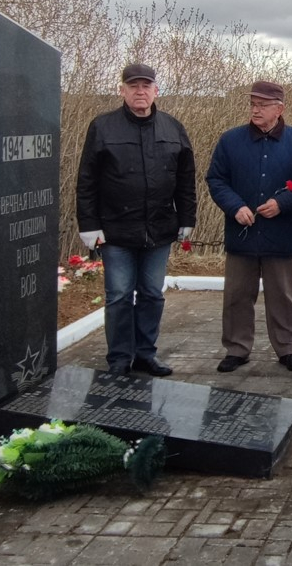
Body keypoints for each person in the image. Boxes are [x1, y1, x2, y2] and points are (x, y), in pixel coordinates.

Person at [75, 63, 197, 377]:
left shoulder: (173, 128)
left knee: (152, 295)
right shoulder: (103, 127)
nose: (140, 91)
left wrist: (187, 218)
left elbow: (186, 179)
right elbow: (87, 179)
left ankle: (145, 355)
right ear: (122, 90)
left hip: (159, 230)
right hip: (116, 231)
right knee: (118, 296)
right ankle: (118, 359)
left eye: (146, 86)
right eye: (133, 86)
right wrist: (89, 224)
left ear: (156, 90)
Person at [205, 80, 292, 373]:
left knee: (282, 295)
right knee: (236, 295)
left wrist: (283, 204)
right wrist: (236, 207)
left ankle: (288, 349)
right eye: (253, 104)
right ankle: (237, 348)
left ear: (279, 109)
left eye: (263, 105)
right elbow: (216, 180)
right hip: (241, 233)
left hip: (280, 234)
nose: (256, 110)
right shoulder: (230, 140)